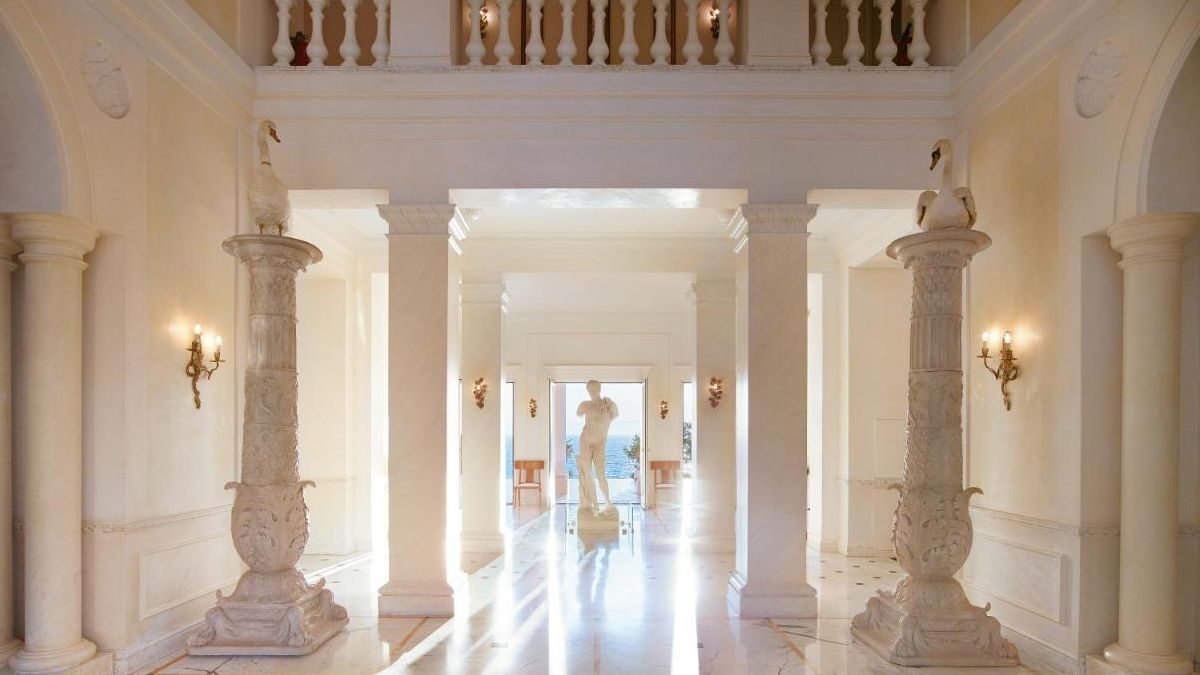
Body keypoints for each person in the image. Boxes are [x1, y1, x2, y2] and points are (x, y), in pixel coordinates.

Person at [576, 380, 619, 514]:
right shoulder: (585, 405)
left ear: (599, 389)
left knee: (601, 474)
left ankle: (607, 501)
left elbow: (616, 414)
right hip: (586, 441)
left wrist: (609, 404)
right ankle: (594, 504)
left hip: (600, 442)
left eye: (594, 389)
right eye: (589, 390)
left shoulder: (609, 405)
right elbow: (578, 412)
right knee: (588, 473)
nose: (592, 392)